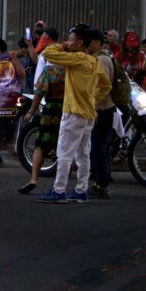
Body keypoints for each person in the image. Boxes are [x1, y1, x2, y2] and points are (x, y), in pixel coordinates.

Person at [38, 25, 111, 204]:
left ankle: (59, 190)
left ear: (80, 42)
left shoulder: (77, 58)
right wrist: (93, 99)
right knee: (83, 154)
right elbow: (105, 85)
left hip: (73, 112)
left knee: (64, 152)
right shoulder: (94, 61)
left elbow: (47, 52)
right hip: (88, 113)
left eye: (71, 39)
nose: (68, 41)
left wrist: (62, 46)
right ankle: (81, 190)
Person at [18, 29, 64, 194]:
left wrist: (31, 112)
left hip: (50, 108)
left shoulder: (50, 72)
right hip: (69, 110)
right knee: (66, 147)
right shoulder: (72, 70)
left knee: (40, 144)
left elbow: (39, 93)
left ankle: (34, 178)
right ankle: (63, 184)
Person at [87, 29, 115, 199]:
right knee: (101, 146)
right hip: (103, 107)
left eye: (89, 42)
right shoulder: (102, 58)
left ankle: (102, 184)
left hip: (102, 109)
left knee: (98, 147)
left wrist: (94, 108)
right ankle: (102, 179)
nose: (87, 46)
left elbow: (102, 87)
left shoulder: (102, 60)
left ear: (97, 42)